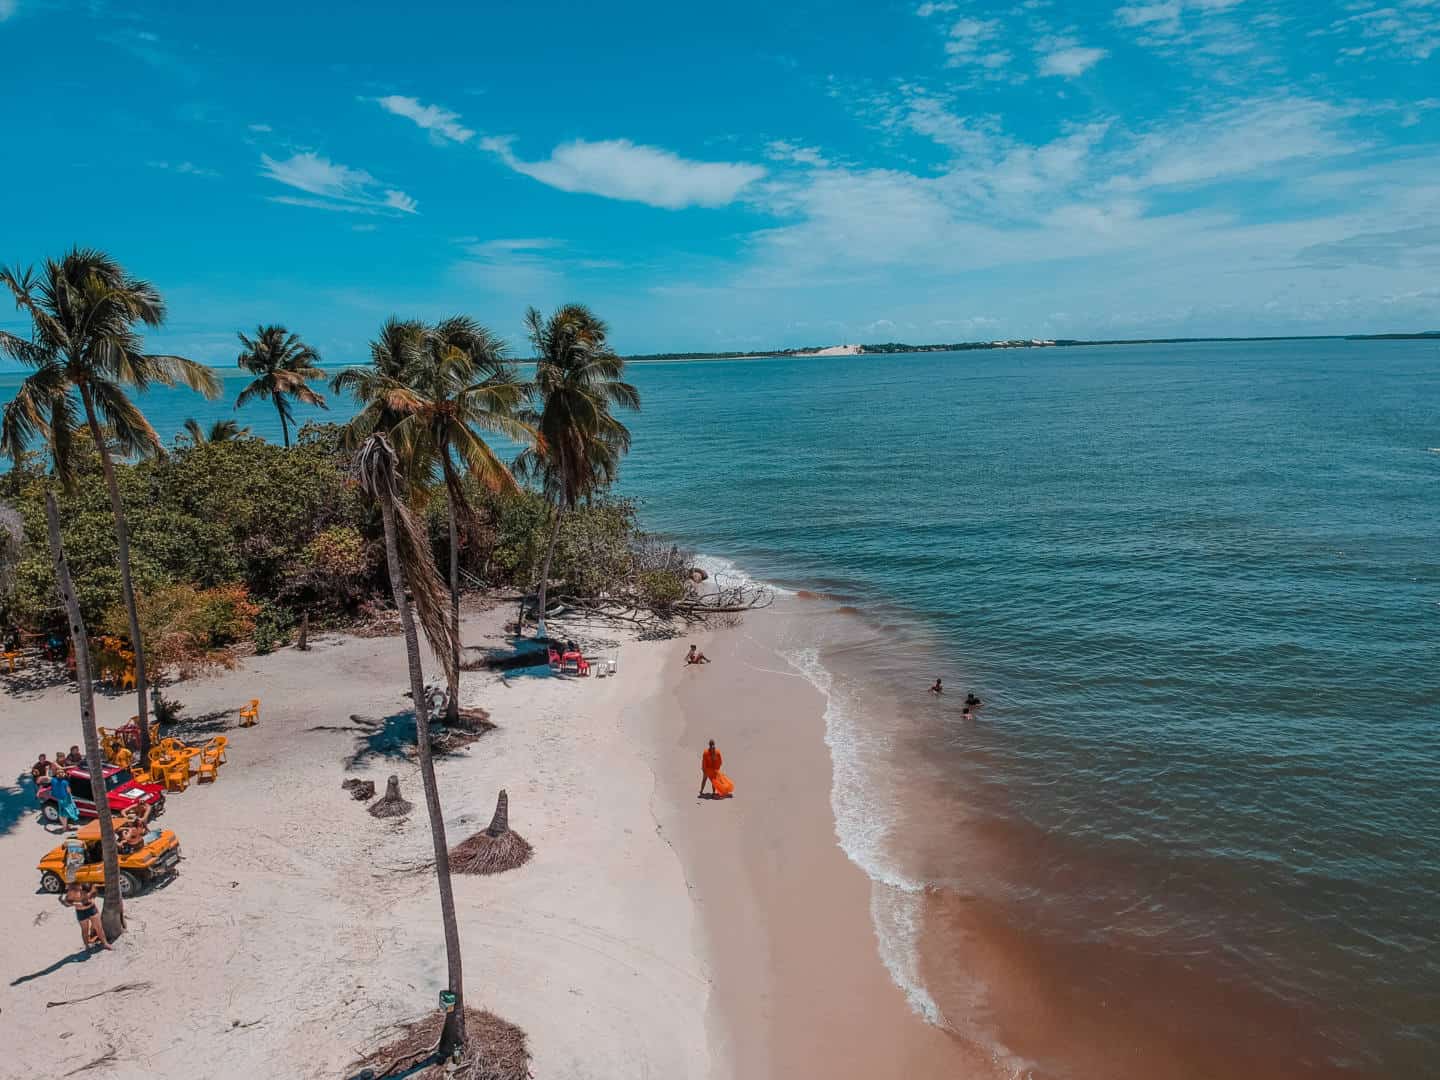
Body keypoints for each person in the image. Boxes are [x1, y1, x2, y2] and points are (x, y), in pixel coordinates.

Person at [61, 883, 110, 951]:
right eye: (83, 892)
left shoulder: (91, 888)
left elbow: (91, 900)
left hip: (91, 909)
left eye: (86, 893)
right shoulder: (73, 891)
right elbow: (66, 902)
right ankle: (87, 946)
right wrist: (73, 903)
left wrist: (81, 902)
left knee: (99, 928)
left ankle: (105, 943)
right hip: (81, 912)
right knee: (85, 930)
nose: (85, 894)